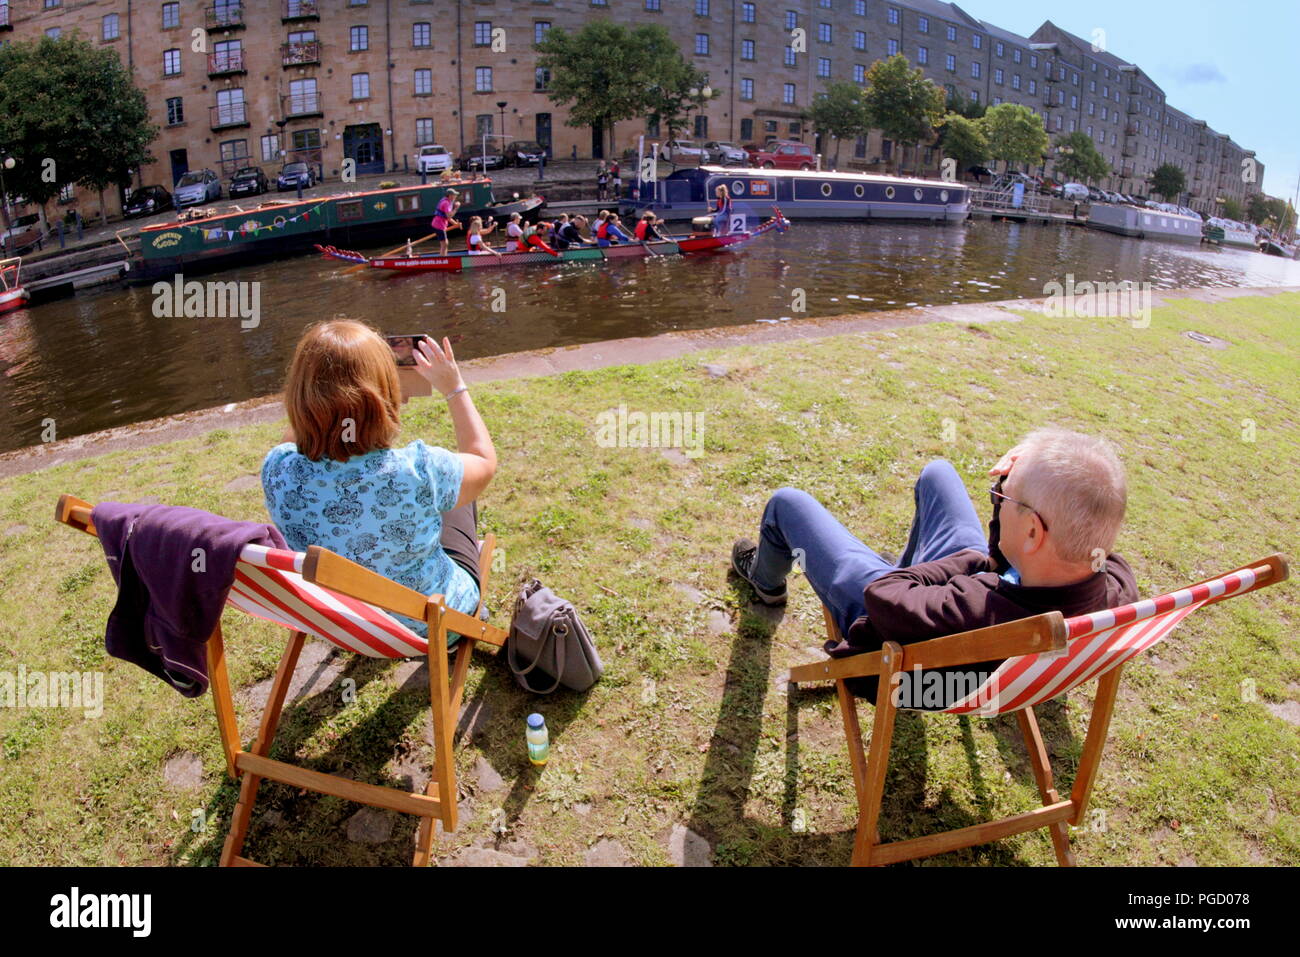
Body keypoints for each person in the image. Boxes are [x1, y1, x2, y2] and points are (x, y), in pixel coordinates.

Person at [729, 429, 1138, 708]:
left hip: (901, 641)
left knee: (788, 503)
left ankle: (765, 582)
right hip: (959, 618)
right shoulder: (1117, 586)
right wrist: (1006, 523)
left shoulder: (973, 608)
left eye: (1002, 496)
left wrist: (975, 564)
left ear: (1032, 532)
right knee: (938, 473)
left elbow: (885, 596)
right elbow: (1001, 564)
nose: (998, 496)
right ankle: (913, 565)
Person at [262, 320, 497, 641]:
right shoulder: (419, 471)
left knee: (438, 494)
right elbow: (483, 461)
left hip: (347, 623)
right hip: (433, 620)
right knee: (456, 495)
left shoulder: (277, 469)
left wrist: (322, 389)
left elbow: (296, 436)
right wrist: (454, 387)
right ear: (385, 391)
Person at [431, 188, 461, 256]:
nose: (456, 196)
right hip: (439, 225)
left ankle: (444, 256)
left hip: (438, 224)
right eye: (454, 195)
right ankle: (443, 259)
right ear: (450, 195)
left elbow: (448, 217)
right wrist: (456, 208)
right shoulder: (446, 203)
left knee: (445, 243)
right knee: (444, 243)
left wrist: (456, 224)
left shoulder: (447, 202)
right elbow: (448, 216)